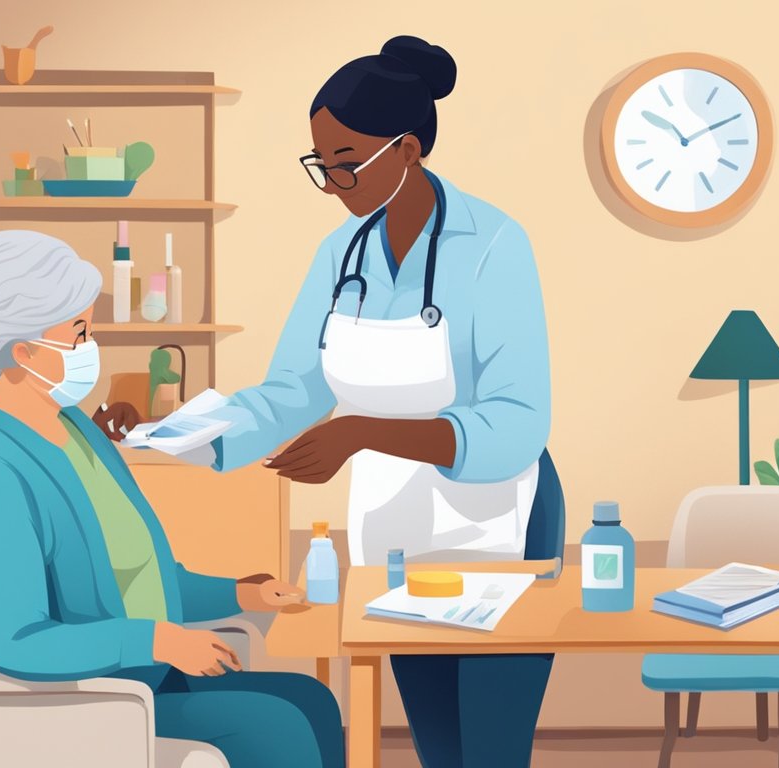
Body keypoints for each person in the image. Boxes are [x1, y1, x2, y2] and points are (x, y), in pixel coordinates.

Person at [207, 36, 554, 767]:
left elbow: (517, 424)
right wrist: (182, 435)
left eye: (348, 162)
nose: (335, 185)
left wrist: (361, 431)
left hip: (500, 518)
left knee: (490, 752)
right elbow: (293, 392)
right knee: (438, 747)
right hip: (395, 529)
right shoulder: (341, 255)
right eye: (322, 166)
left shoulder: (493, 244)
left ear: (408, 150)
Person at [0, 230, 344, 768]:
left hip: (131, 681)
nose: (90, 349)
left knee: (312, 702)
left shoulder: (76, 431)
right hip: (52, 701)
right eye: (77, 334)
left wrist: (243, 594)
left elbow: (144, 581)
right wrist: (156, 642)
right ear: (21, 353)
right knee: (277, 729)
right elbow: (16, 639)